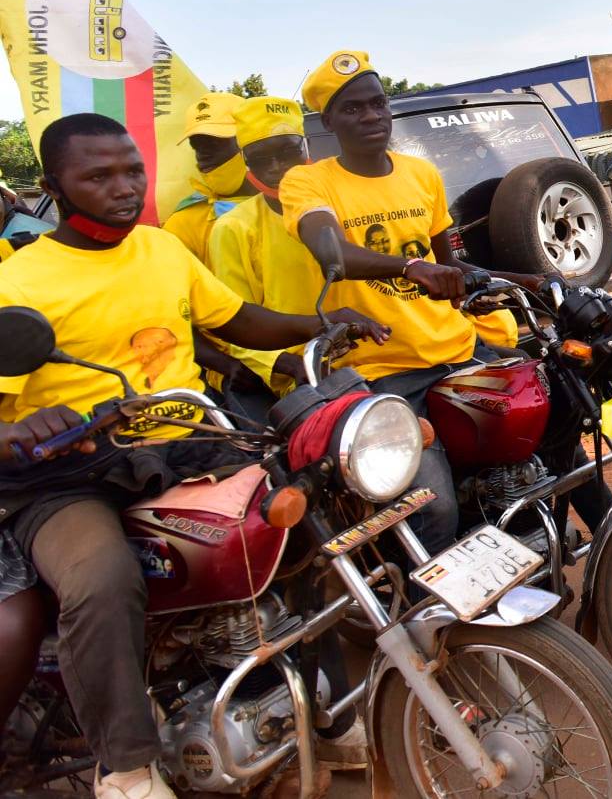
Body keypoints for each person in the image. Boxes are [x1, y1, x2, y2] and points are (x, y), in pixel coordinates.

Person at [0, 113, 385, 799]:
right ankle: (126, 768)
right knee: (101, 581)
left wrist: (321, 325)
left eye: (131, 171)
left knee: (301, 527)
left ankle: (320, 711)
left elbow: (235, 319)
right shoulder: (20, 280)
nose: (124, 188)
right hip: (69, 472)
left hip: (186, 442)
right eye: (99, 176)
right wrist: (26, 424)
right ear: (54, 186)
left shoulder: (160, 248)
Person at [279, 51, 595, 548]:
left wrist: (534, 280)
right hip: (382, 372)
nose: (372, 117)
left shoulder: (419, 173)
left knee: (561, 434)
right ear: (328, 121)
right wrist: (410, 267)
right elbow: (330, 250)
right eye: (353, 109)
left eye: (378, 104)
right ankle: (430, 619)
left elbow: (452, 267)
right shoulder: (309, 182)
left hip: (459, 352)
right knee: (435, 504)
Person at [207, 97, 323, 406]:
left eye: (287, 152)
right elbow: (236, 323)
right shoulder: (233, 228)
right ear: (245, 161)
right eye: (260, 158)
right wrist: (286, 363)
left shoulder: (343, 201)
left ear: (306, 146)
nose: (276, 168)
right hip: (304, 377)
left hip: (379, 356)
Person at [162, 92, 256, 261]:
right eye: (196, 146)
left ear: (249, 140)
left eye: (214, 142)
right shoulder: (184, 223)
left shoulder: (292, 205)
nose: (202, 154)